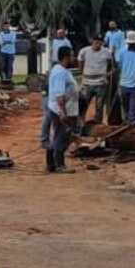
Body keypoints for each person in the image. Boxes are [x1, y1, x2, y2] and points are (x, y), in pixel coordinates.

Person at [44, 45, 79, 173]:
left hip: (65, 109)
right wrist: (63, 113)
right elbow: (59, 95)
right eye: (72, 56)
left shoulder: (63, 70)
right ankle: (58, 165)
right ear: (66, 57)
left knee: (59, 135)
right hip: (61, 110)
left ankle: (51, 163)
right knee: (62, 137)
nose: (74, 58)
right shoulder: (60, 72)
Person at [77, 34, 113, 127]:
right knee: (84, 105)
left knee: (99, 106)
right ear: (92, 42)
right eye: (96, 42)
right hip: (87, 83)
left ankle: (98, 126)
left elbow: (111, 65)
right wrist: (83, 74)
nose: (98, 45)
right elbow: (80, 63)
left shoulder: (106, 52)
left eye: (100, 43)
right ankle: (80, 125)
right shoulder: (84, 51)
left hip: (101, 83)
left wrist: (107, 74)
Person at [116, 30, 135, 123]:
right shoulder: (122, 52)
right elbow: (118, 66)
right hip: (124, 85)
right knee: (126, 111)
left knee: (133, 114)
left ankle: (132, 128)